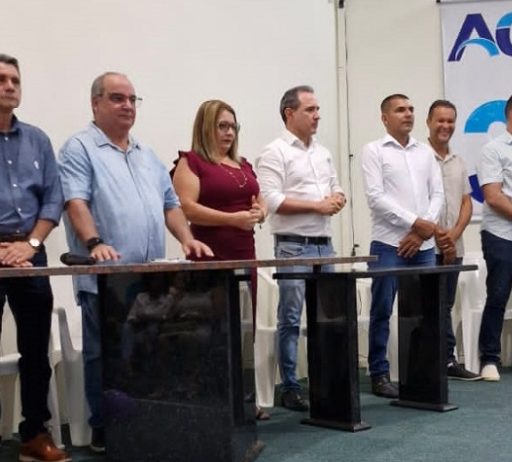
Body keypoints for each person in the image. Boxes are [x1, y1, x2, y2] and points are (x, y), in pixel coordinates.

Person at [57, 72, 212, 452]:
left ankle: (144, 421)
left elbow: (170, 205)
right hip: (105, 278)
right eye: (117, 98)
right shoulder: (79, 148)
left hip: (149, 279)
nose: (127, 105)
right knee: (105, 354)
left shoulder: (146, 154)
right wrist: (95, 243)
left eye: (132, 99)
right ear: (96, 103)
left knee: (145, 351)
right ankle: (105, 428)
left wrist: (187, 239)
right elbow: (75, 201)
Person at [171, 99, 269, 419]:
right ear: (206, 127)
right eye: (222, 126)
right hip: (211, 257)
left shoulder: (243, 164)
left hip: (245, 255)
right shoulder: (191, 162)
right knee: (211, 330)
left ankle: (243, 397)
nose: (229, 133)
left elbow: (260, 200)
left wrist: (260, 212)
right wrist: (232, 220)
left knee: (244, 328)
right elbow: (187, 207)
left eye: (233, 127)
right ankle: (213, 400)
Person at [256, 85, 346, 411]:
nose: (317, 115)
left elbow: (336, 188)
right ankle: (291, 387)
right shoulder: (275, 152)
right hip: (293, 246)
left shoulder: (323, 153)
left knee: (328, 318)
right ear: (289, 113)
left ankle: (326, 381)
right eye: (310, 109)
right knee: (291, 319)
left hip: (324, 245)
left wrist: (338, 198)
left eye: (318, 109)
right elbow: (271, 200)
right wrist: (317, 206)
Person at [0, 53, 70, 461]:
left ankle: (33, 434)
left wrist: (30, 245)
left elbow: (53, 198)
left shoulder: (38, 140)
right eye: (1, 79)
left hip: (30, 253)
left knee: (35, 350)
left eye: (15, 80)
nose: (9, 86)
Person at [361, 94, 444, 398]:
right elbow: (375, 197)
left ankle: (420, 372)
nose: (408, 114)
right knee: (382, 310)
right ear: (385, 118)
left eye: (410, 109)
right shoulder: (373, 150)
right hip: (388, 245)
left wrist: (423, 231)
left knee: (424, 312)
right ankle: (379, 374)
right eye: (400, 110)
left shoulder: (425, 152)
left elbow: (438, 194)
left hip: (424, 247)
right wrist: (415, 222)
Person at [476, 91, 512, 382]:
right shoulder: (493, 149)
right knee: (498, 295)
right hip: (502, 234)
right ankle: (489, 358)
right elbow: (493, 196)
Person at [426, 99, 480, 381]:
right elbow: (416, 203)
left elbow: (466, 202)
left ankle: (447, 362)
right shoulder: (419, 158)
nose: (445, 126)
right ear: (429, 122)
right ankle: (431, 363)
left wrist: (454, 235)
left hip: (454, 246)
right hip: (426, 246)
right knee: (427, 306)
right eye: (440, 120)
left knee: (445, 305)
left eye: (450, 121)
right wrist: (440, 237)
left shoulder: (459, 161)